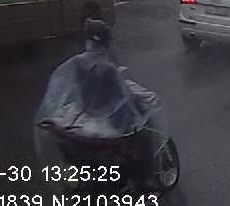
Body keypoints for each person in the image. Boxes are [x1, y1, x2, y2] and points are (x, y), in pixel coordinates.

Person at [35, 20, 162, 185]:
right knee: (144, 135)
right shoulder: (108, 69)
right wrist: (140, 102)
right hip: (109, 118)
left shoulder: (78, 62)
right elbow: (123, 98)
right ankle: (146, 178)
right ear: (106, 43)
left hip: (87, 110)